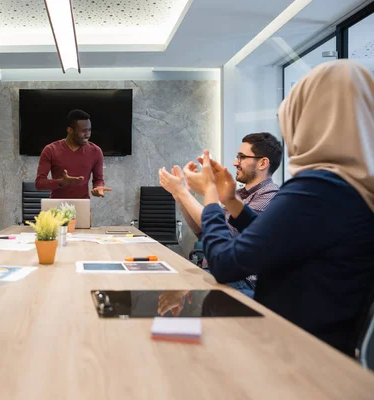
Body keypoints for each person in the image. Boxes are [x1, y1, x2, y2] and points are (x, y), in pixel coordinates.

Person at [182, 60, 374, 355]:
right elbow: (270, 235)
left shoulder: (317, 189)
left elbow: (224, 263)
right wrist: (230, 199)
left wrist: (209, 193)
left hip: (289, 351)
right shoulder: (352, 188)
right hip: (329, 349)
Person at [159, 133, 283, 297]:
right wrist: (179, 196)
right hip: (215, 270)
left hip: (241, 281)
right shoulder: (238, 194)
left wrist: (184, 193)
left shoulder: (269, 196)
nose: (235, 163)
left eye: (242, 157)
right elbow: (204, 231)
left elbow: (225, 233)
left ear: (262, 163)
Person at [35, 109, 112, 199]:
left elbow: (98, 180)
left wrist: (98, 188)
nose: (88, 135)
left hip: (82, 205)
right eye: (83, 131)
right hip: (57, 207)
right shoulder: (50, 150)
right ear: (70, 130)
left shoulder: (96, 151)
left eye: (89, 130)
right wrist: (61, 182)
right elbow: (39, 183)